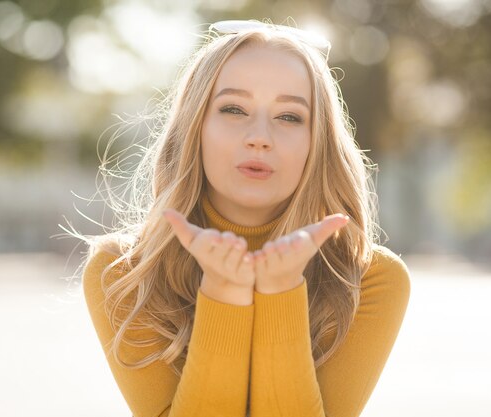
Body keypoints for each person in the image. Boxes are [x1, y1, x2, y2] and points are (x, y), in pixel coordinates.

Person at [78, 19, 411, 417]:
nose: (260, 136)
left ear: (317, 142)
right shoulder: (123, 272)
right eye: (234, 109)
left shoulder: (369, 278)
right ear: (194, 127)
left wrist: (281, 289)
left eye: (289, 116)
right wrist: (223, 290)